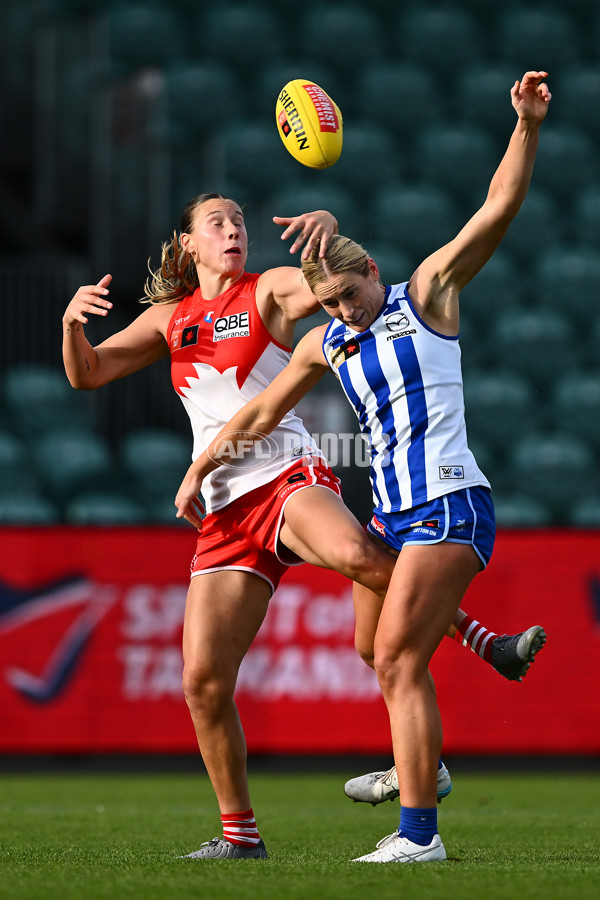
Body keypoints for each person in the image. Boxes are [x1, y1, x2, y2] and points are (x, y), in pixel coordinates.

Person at [174, 71, 551, 863]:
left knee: (402, 661)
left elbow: (497, 209)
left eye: (351, 294)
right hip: (392, 515)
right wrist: (200, 468)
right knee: (373, 652)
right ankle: (422, 763)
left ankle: (419, 835)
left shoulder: (429, 295)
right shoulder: (329, 341)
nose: (346, 309)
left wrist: (525, 126)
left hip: (448, 504)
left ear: (374, 271)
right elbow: (257, 414)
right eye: (332, 302)